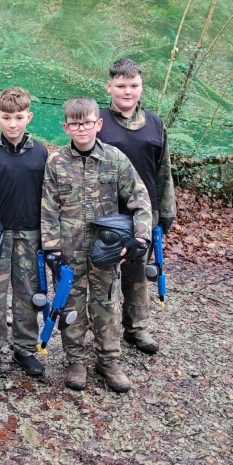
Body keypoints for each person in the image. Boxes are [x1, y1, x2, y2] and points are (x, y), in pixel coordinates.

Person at [41, 97, 152, 393]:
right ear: (66, 127)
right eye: (75, 124)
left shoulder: (115, 158)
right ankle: (75, 360)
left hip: (107, 248)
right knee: (70, 305)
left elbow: (139, 198)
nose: (82, 129)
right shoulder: (55, 162)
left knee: (107, 304)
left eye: (87, 123)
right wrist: (51, 248)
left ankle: (108, 360)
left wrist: (140, 236)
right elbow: (48, 208)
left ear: (98, 124)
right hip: (69, 250)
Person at [96, 58, 176, 354]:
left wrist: (166, 211)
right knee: (104, 272)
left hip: (144, 212)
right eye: (121, 86)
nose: (127, 91)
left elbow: (164, 170)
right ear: (109, 86)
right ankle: (105, 330)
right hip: (105, 212)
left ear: (141, 87)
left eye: (133, 85)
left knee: (138, 271)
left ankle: (137, 328)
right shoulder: (98, 121)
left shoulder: (155, 124)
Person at [0, 88, 49, 377]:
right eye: (6, 117)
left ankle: (24, 349)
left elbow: (50, 197)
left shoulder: (42, 153)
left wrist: (49, 237)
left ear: (29, 117)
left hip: (30, 235)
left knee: (28, 293)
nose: (13, 123)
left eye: (19, 117)